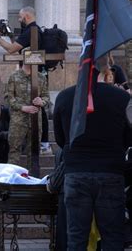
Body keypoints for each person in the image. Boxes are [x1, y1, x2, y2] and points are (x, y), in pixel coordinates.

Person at [53, 59, 130, 250]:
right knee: (112, 236)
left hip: (76, 172)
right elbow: (129, 138)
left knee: (77, 237)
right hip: (111, 172)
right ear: (106, 70)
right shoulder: (121, 98)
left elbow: (61, 139)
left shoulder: (64, 97)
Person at [0, 6, 52, 154]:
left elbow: (12, 49)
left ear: (26, 17)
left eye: (20, 18)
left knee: (38, 103)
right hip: (35, 71)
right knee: (37, 103)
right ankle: (44, 141)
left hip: (34, 72)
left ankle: (43, 141)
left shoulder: (31, 31)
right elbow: (20, 48)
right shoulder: (35, 30)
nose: (19, 20)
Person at [6, 63, 49, 174]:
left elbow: (46, 96)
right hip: (18, 120)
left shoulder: (41, 77)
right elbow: (8, 97)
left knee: (34, 151)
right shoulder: (14, 76)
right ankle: (11, 181)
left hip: (35, 119)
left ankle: (33, 180)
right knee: (14, 150)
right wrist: (22, 107)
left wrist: (42, 101)